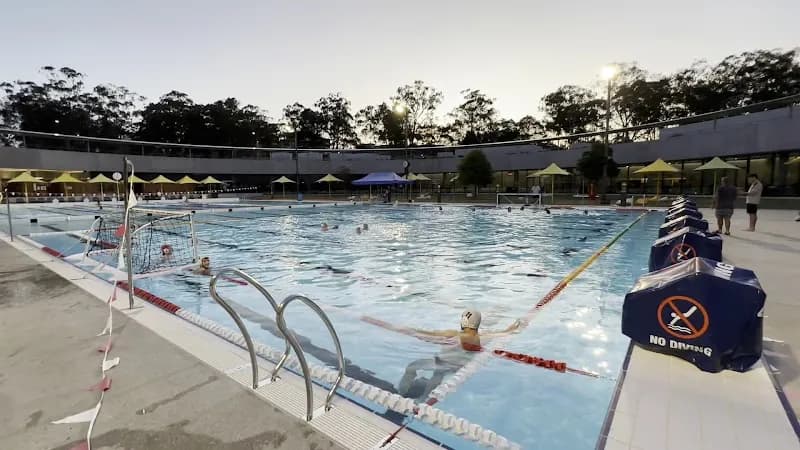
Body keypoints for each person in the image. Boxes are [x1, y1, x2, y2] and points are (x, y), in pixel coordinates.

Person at [397, 310, 521, 399]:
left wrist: (413, 330)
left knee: (419, 369)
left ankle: (413, 395)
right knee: (417, 367)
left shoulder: (474, 337)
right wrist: (510, 329)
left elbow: (430, 334)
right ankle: (409, 394)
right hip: (444, 363)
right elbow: (501, 334)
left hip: (448, 365)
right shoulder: (477, 337)